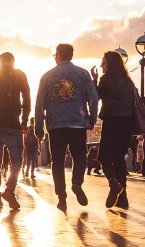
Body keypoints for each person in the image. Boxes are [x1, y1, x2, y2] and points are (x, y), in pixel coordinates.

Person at [34, 43, 99, 210]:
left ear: (58, 55)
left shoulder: (47, 76)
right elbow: (93, 98)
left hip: (55, 125)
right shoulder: (83, 74)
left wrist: (38, 128)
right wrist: (92, 118)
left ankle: (61, 197)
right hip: (78, 123)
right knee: (80, 157)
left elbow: (39, 104)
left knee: (57, 161)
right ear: (71, 55)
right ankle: (77, 183)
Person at [0, 51, 32, 209]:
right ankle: (9, 189)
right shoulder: (19, 75)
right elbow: (27, 99)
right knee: (17, 161)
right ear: (13, 62)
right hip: (13, 125)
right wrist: (24, 121)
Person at [91, 50, 136, 209]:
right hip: (127, 124)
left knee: (103, 157)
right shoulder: (128, 81)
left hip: (112, 121)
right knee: (118, 160)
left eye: (103, 63)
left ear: (110, 64)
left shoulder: (107, 79)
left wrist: (95, 81)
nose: (102, 66)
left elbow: (95, 97)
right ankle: (123, 199)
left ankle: (113, 184)